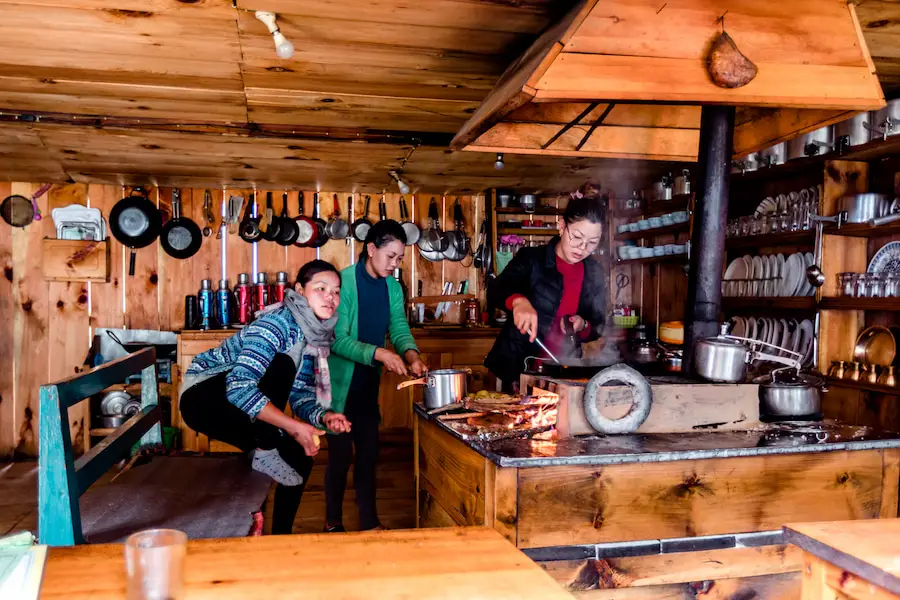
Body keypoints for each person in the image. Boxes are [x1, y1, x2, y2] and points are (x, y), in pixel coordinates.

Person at [180, 259, 349, 535]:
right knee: (280, 365)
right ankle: (265, 449)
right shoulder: (275, 324)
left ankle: (280, 539)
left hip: (242, 410)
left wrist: (324, 416)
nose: (331, 297)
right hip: (203, 398)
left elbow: (299, 393)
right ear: (299, 290)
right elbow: (239, 386)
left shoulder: (314, 338)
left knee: (298, 458)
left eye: (336, 291)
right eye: (321, 288)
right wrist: (292, 426)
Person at [325, 219, 427, 532]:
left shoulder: (392, 288)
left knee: (369, 452)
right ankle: (333, 523)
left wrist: (412, 355)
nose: (395, 265)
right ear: (371, 249)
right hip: (338, 386)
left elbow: (397, 327)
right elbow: (337, 340)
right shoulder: (344, 283)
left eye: (400, 259)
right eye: (390, 257)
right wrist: (379, 354)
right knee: (341, 455)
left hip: (367, 385)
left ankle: (368, 521)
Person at [485, 188, 608, 390]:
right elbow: (496, 290)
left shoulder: (593, 271)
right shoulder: (532, 258)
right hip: (517, 367)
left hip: (562, 371)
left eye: (592, 243)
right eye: (577, 237)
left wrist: (583, 324)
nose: (582, 248)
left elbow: (599, 323)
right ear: (561, 226)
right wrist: (518, 301)